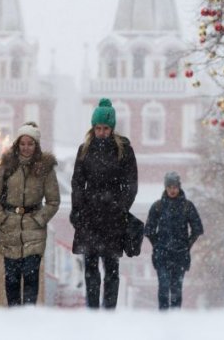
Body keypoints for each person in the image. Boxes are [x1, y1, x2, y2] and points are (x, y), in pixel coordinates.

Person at [70, 98, 138, 309]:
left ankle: (108, 311)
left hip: (113, 216)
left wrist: (121, 207)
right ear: (93, 128)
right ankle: (92, 309)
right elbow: (77, 182)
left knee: (111, 267)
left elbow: (131, 183)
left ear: (112, 128)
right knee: (90, 266)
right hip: (89, 215)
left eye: (105, 128)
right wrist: (77, 209)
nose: (101, 132)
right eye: (98, 128)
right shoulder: (84, 149)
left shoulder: (124, 150)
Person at [0, 121, 60, 307]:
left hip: (34, 231)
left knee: (30, 277)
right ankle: (13, 321)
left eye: (30, 143)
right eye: (23, 143)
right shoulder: (7, 166)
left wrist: (39, 219)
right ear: (17, 144)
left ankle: (28, 319)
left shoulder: (45, 168)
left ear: (36, 145)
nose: (26, 147)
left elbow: (53, 201)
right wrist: (1, 218)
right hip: (9, 229)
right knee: (11, 280)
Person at [144, 171, 203, 310]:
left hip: (180, 255)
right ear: (165, 187)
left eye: (175, 186)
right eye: (169, 186)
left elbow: (197, 229)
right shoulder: (157, 206)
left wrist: (187, 245)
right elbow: (149, 230)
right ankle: (164, 317)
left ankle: (175, 318)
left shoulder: (187, 206)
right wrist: (157, 245)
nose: (172, 190)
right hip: (162, 255)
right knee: (163, 287)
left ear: (179, 187)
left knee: (176, 288)